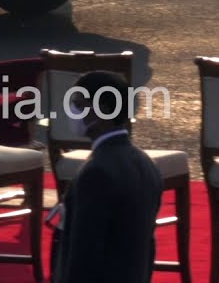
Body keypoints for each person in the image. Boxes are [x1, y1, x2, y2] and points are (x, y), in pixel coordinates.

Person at [53, 70, 163, 283]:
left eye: (78, 103)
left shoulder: (96, 172)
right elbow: (148, 249)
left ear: (102, 110)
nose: (72, 110)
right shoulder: (147, 164)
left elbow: (83, 255)